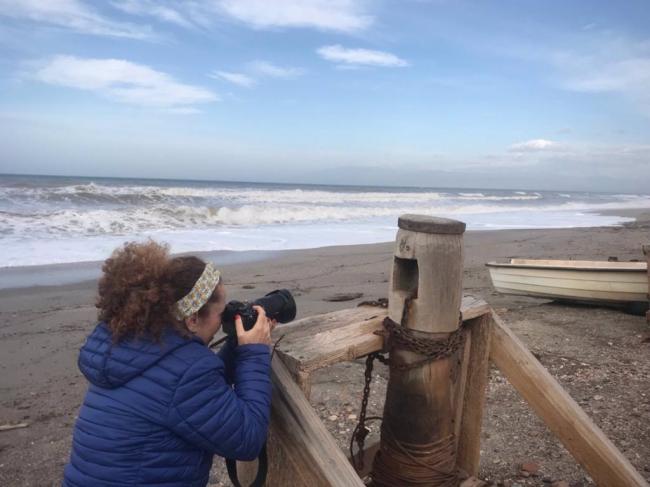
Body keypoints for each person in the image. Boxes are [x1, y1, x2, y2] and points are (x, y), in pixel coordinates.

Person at [62, 240, 274, 487]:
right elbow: (248, 439)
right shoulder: (186, 373)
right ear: (193, 319)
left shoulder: (131, 346)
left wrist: (238, 345)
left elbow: (194, 395)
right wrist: (254, 352)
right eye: (222, 311)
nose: (223, 319)